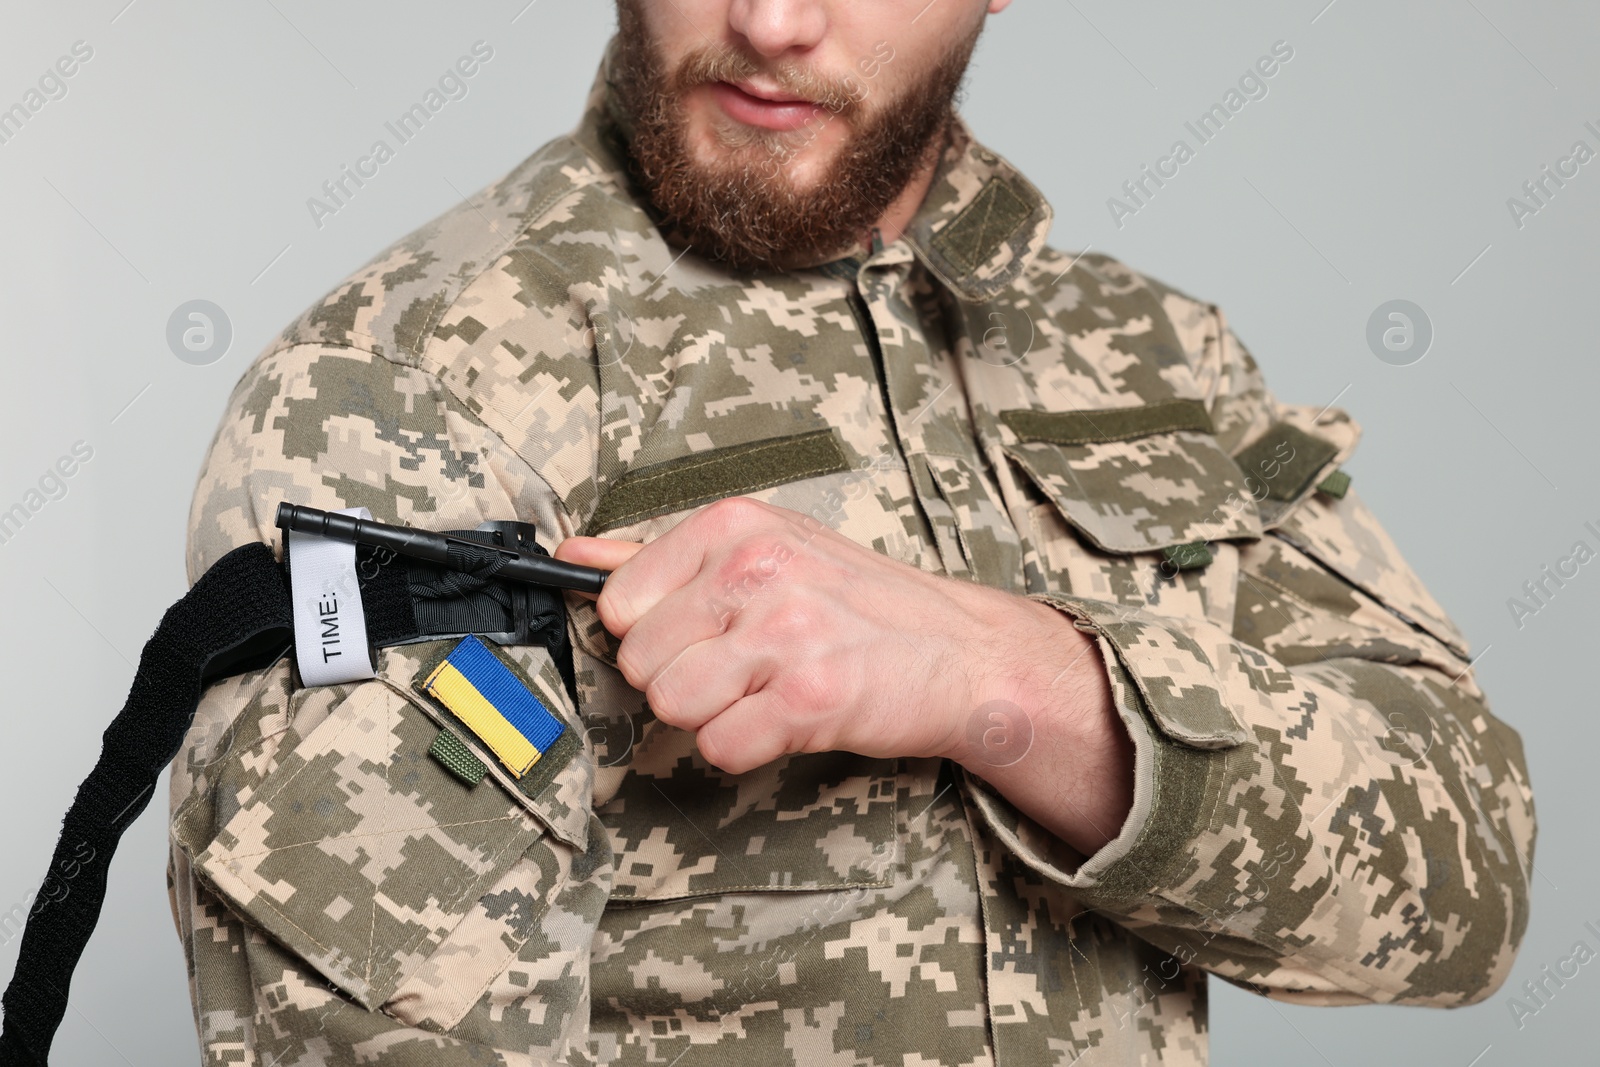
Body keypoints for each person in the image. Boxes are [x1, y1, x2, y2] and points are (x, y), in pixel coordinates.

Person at [170, 1, 1536, 1063]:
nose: (769, 22)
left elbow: (1464, 889)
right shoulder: (414, 385)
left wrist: (1012, 683)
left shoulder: (1154, 355)